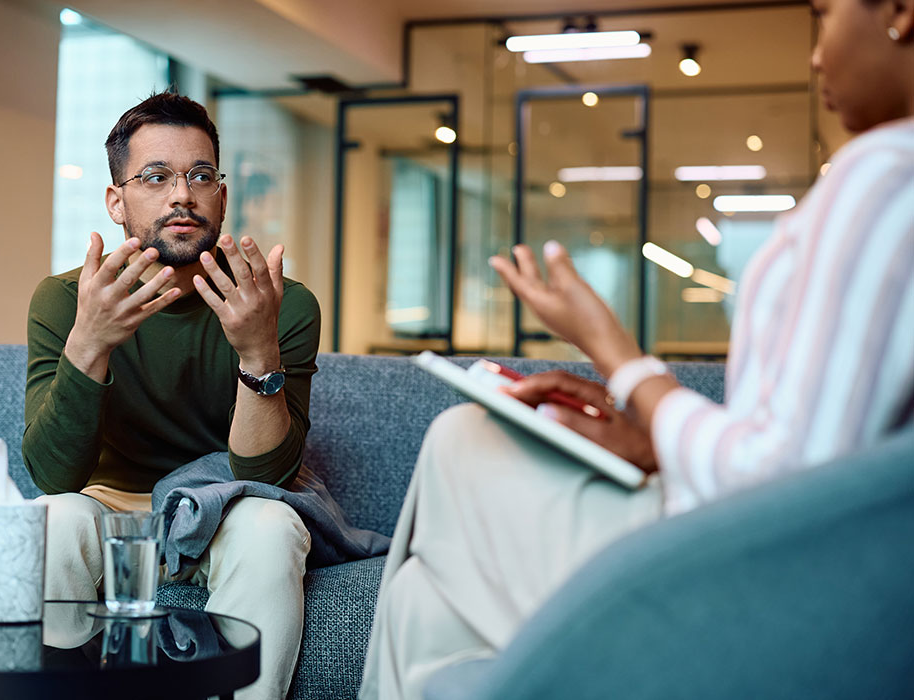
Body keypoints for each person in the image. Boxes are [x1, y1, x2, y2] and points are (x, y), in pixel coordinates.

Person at [359, 0, 914, 697]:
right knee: (419, 602)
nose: (813, 54)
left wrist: (613, 352)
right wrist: (651, 436)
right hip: (775, 558)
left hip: (733, 580)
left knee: (459, 437)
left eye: (825, 14)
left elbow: (779, 483)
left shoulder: (884, 175)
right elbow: (826, 453)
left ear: (898, 11)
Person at [23, 92, 320, 700]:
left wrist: (257, 351)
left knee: (272, 527)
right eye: (155, 177)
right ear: (117, 201)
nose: (182, 193)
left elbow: (267, 474)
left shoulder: (281, 303)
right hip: (106, 504)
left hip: (225, 503)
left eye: (201, 175)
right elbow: (53, 475)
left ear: (222, 197)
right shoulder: (64, 300)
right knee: (54, 519)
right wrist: (90, 344)